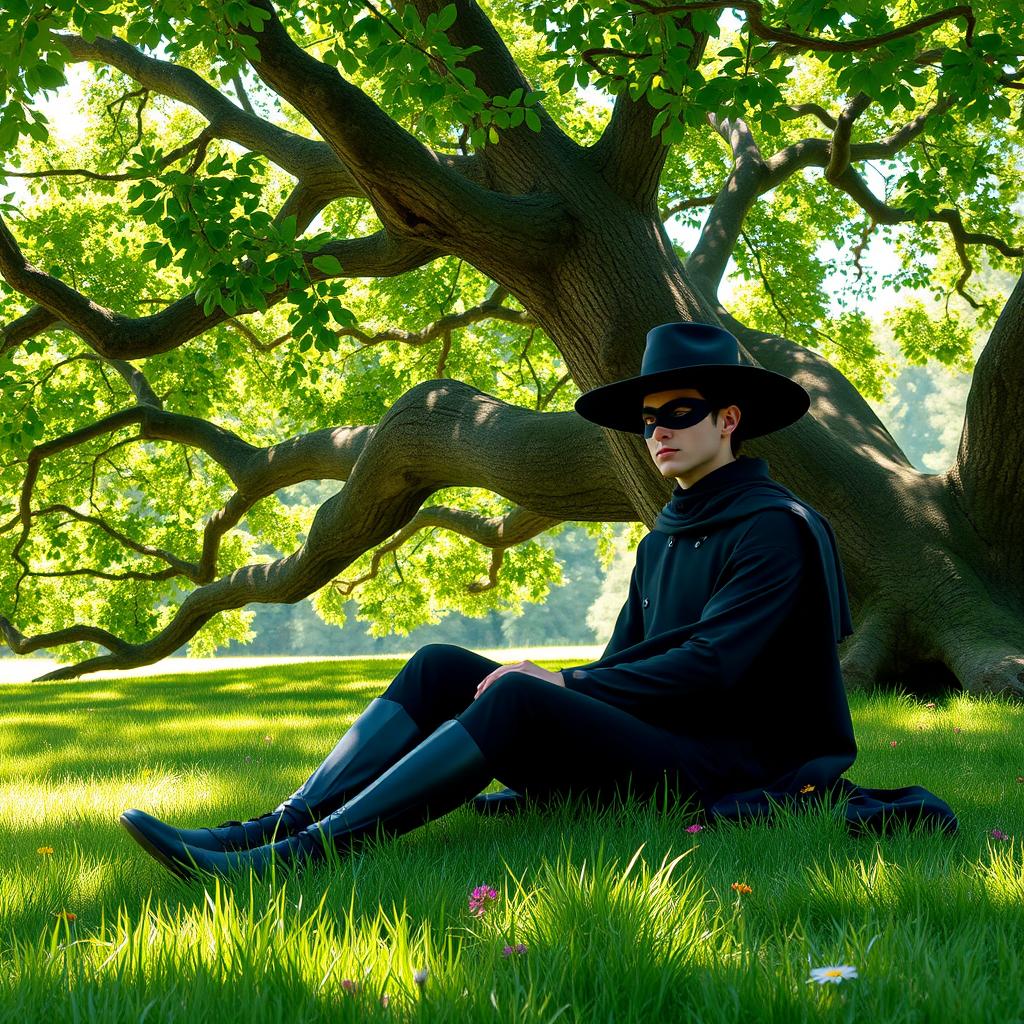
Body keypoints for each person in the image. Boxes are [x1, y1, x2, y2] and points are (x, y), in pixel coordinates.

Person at [120, 321, 861, 881]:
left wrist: (561, 685)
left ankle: (299, 859)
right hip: (662, 744)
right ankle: (274, 825)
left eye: (680, 412)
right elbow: (631, 661)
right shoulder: (664, 534)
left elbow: (714, 667)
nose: (657, 431)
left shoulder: (775, 529)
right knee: (442, 665)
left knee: (517, 697)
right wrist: (576, 695)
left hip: (728, 768)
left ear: (729, 421)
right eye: (647, 419)